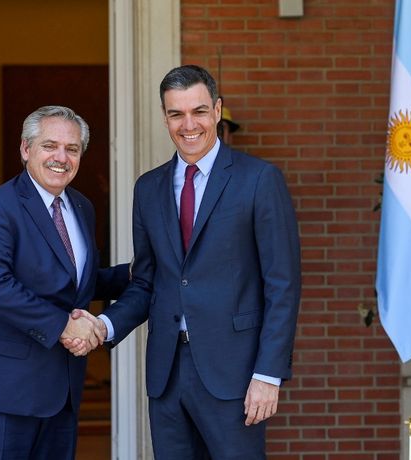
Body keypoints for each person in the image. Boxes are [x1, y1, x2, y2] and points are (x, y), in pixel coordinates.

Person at [73, 65, 301, 459]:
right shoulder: (148, 188)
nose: (188, 125)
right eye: (176, 114)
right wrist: (105, 325)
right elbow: (146, 281)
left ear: (216, 110)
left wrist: (268, 374)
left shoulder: (259, 180)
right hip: (167, 373)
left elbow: (282, 285)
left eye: (198, 111)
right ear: (165, 117)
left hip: (235, 372)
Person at [0, 105, 130, 459]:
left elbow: (74, 283)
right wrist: (63, 326)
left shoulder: (81, 207)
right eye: (49, 146)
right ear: (26, 150)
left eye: (72, 149)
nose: (61, 157)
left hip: (60, 390)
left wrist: (133, 275)